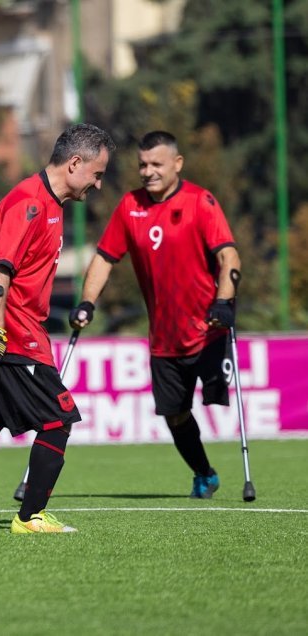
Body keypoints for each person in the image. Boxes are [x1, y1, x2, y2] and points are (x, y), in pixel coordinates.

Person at [0, 123, 116, 534]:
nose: (98, 185)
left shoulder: (51, 204)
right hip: (14, 333)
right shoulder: (27, 201)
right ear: (75, 163)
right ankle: (29, 518)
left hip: (31, 332)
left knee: (52, 419)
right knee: (59, 417)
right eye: (97, 174)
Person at [70, 130, 241, 499]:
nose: (148, 172)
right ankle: (204, 473)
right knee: (175, 414)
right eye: (142, 165)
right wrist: (87, 301)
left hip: (209, 330)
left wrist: (224, 301)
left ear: (177, 164)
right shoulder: (130, 206)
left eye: (156, 164)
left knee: (217, 401)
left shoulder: (201, 202)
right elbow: (104, 258)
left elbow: (229, 257)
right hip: (164, 339)